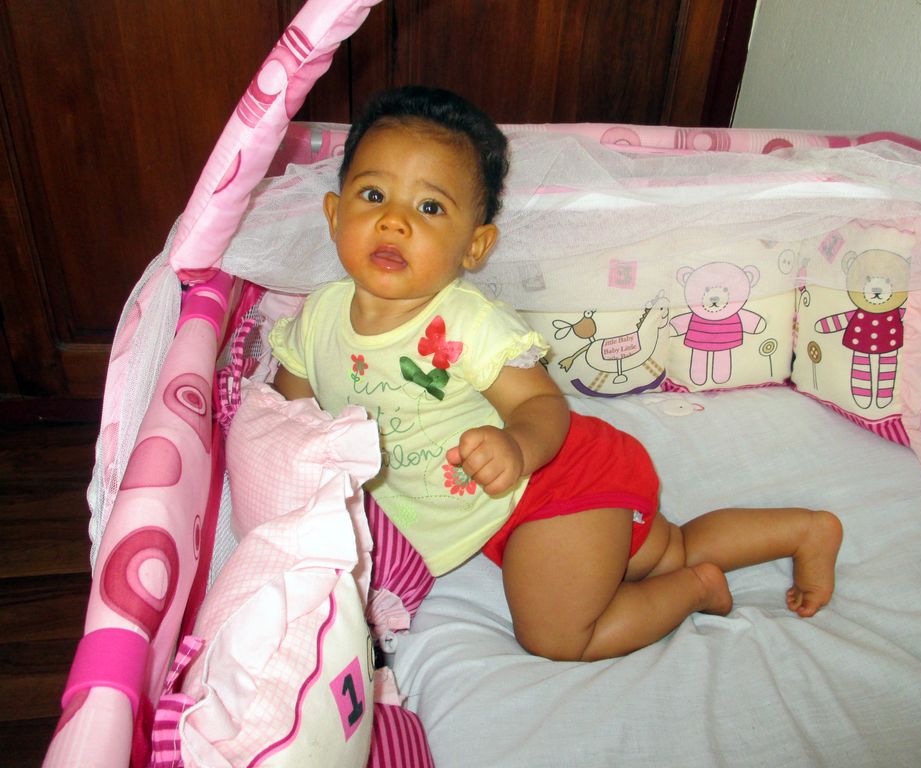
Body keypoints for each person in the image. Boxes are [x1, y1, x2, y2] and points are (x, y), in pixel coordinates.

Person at [270, 85, 843, 662]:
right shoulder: (317, 318)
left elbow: (540, 405)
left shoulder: (469, 322)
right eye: (373, 195)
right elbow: (286, 419)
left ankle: (696, 590)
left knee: (556, 635)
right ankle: (802, 531)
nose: (394, 222)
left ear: (475, 246)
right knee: (666, 550)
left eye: (430, 208)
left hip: (551, 482)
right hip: (494, 511)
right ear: (335, 214)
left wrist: (517, 447)